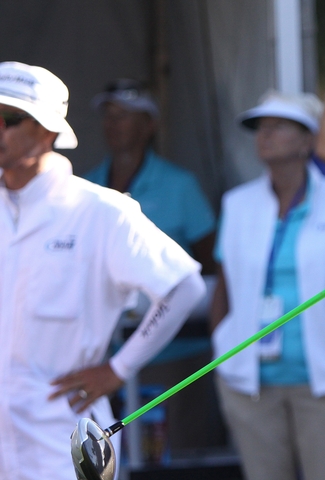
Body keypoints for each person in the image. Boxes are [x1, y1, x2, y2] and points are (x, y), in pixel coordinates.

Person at [0, 62, 206, 480]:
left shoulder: (101, 210)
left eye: (8, 118)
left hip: (63, 438)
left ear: (47, 130)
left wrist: (119, 369)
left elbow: (184, 286)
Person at [210, 89, 325, 480]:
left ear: (308, 140)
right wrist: (222, 345)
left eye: (278, 126)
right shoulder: (237, 204)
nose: (265, 135)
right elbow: (224, 287)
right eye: (260, 127)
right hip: (247, 383)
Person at [83, 78, 217, 273]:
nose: (112, 123)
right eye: (108, 115)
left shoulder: (180, 185)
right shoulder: (86, 185)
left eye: (123, 115)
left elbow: (210, 261)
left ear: (149, 125)